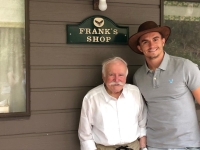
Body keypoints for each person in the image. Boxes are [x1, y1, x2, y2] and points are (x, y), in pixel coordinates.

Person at [128, 21, 200, 149]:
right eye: (145, 42)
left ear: (163, 41)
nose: (151, 45)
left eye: (155, 39)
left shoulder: (185, 67)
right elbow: (142, 112)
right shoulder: (138, 76)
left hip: (187, 144)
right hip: (154, 144)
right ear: (140, 47)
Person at [78, 57, 147, 150]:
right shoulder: (91, 98)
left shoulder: (135, 92)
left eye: (121, 75)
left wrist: (143, 147)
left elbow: (142, 123)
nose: (116, 79)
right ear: (103, 76)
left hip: (133, 147)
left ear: (126, 76)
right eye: (111, 74)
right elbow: (85, 134)